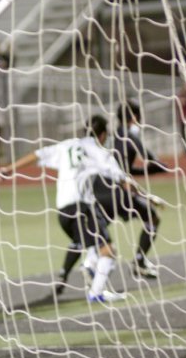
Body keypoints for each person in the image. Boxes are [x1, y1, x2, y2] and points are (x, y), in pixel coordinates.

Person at [0, 116, 129, 303]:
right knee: (108, 251)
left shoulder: (66, 145)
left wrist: (9, 169)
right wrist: (145, 197)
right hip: (81, 208)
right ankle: (96, 292)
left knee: (93, 244)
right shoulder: (98, 151)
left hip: (63, 212)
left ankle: (90, 269)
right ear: (102, 135)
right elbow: (121, 178)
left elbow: (37, 154)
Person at [58, 106, 164, 286]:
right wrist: (161, 170)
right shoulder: (130, 137)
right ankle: (139, 261)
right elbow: (148, 163)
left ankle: (76, 269)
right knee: (152, 218)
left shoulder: (106, 139)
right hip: (118, 192)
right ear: (136, 117)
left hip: (96, 193)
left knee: (92, 233)